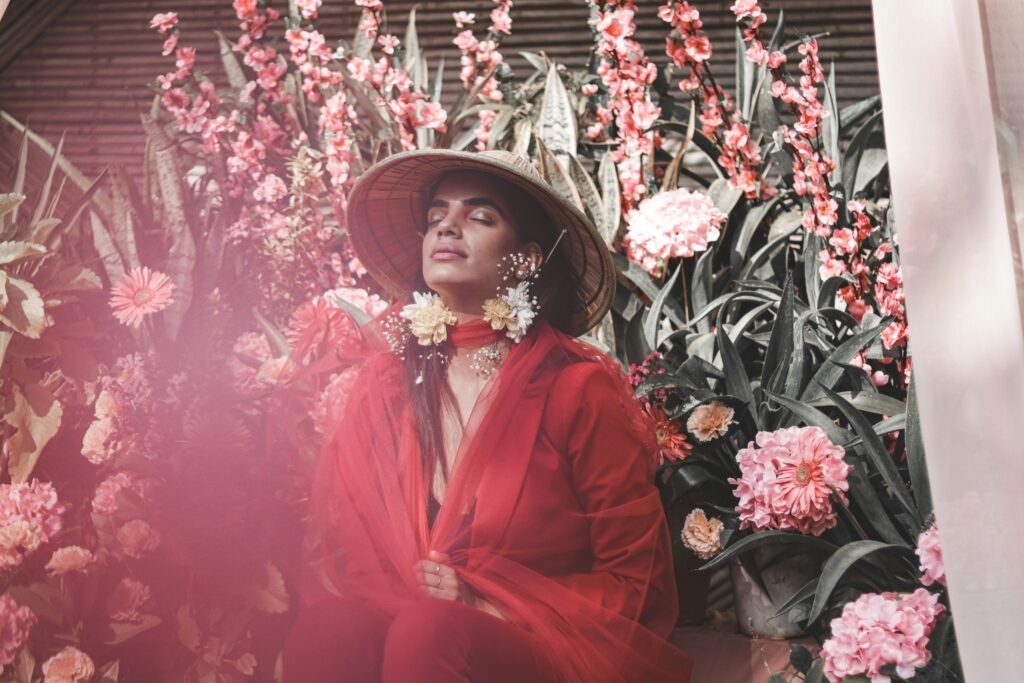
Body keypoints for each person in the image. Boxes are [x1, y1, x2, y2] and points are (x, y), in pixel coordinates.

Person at [282, 150, 694, 682]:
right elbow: (351, 558)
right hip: (410, 632)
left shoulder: (575, 388)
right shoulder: (386, 387)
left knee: (432, 629)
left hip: (539, 646)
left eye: (480, 216)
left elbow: (636, 583)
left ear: (524, 259)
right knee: (331, 627)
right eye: (435, 217)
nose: (447, 227)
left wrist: (485, 605)